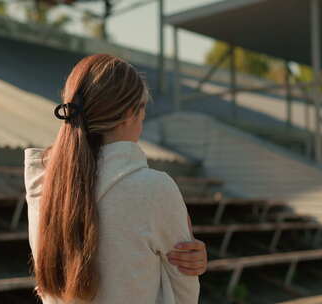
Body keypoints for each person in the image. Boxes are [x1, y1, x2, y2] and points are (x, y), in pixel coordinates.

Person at [23, 54, 207, 304]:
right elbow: (184, 292)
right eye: (143, 110)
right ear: (131, 112)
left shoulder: (43, 184)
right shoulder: (155, 190)